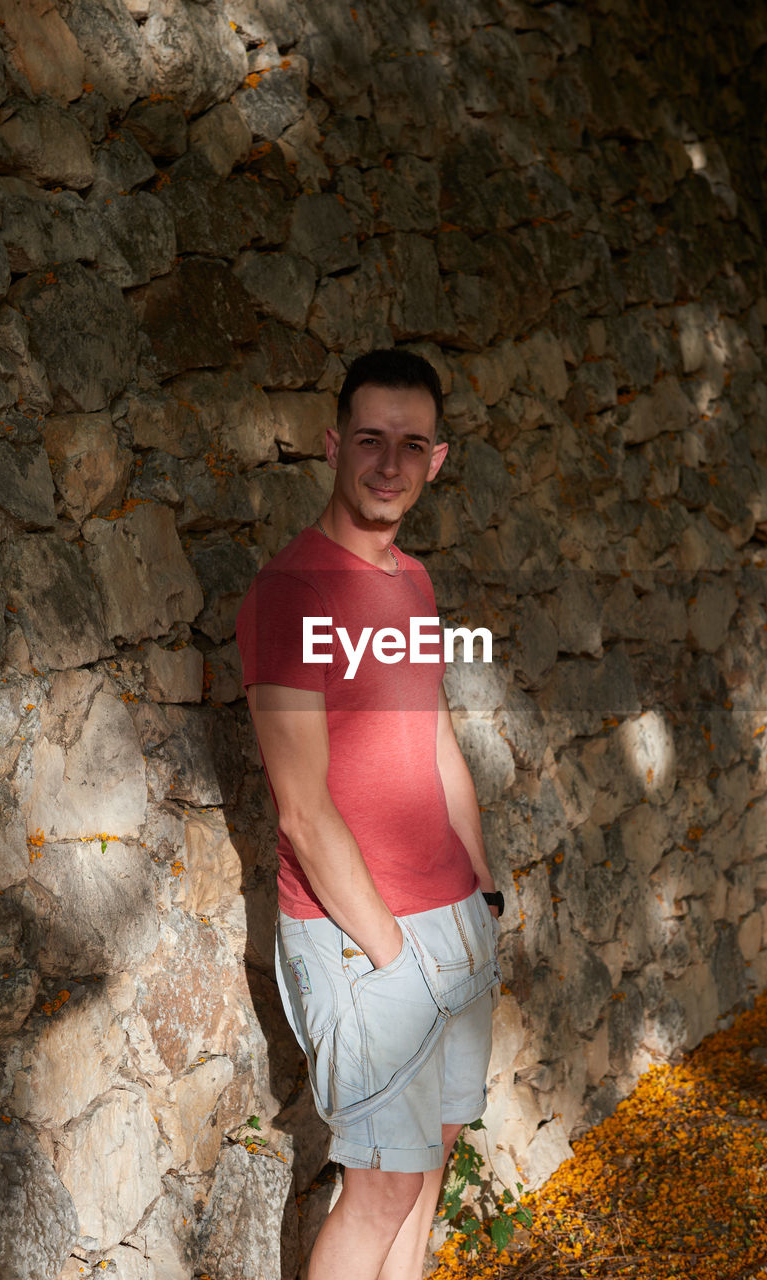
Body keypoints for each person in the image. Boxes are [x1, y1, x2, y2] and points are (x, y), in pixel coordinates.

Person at [236, 348, 504, 1280]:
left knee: (427, 1168)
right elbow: (304, 809)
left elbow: (435, 742)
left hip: (455, 916)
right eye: (369, 441)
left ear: (438, 461)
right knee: (381, 1188)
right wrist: (395, 957)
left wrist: (486, 890)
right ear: (332, 446)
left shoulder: (415, 585)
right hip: (364, 941)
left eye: (411, 445)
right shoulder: (291, 594)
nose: (388, 465)